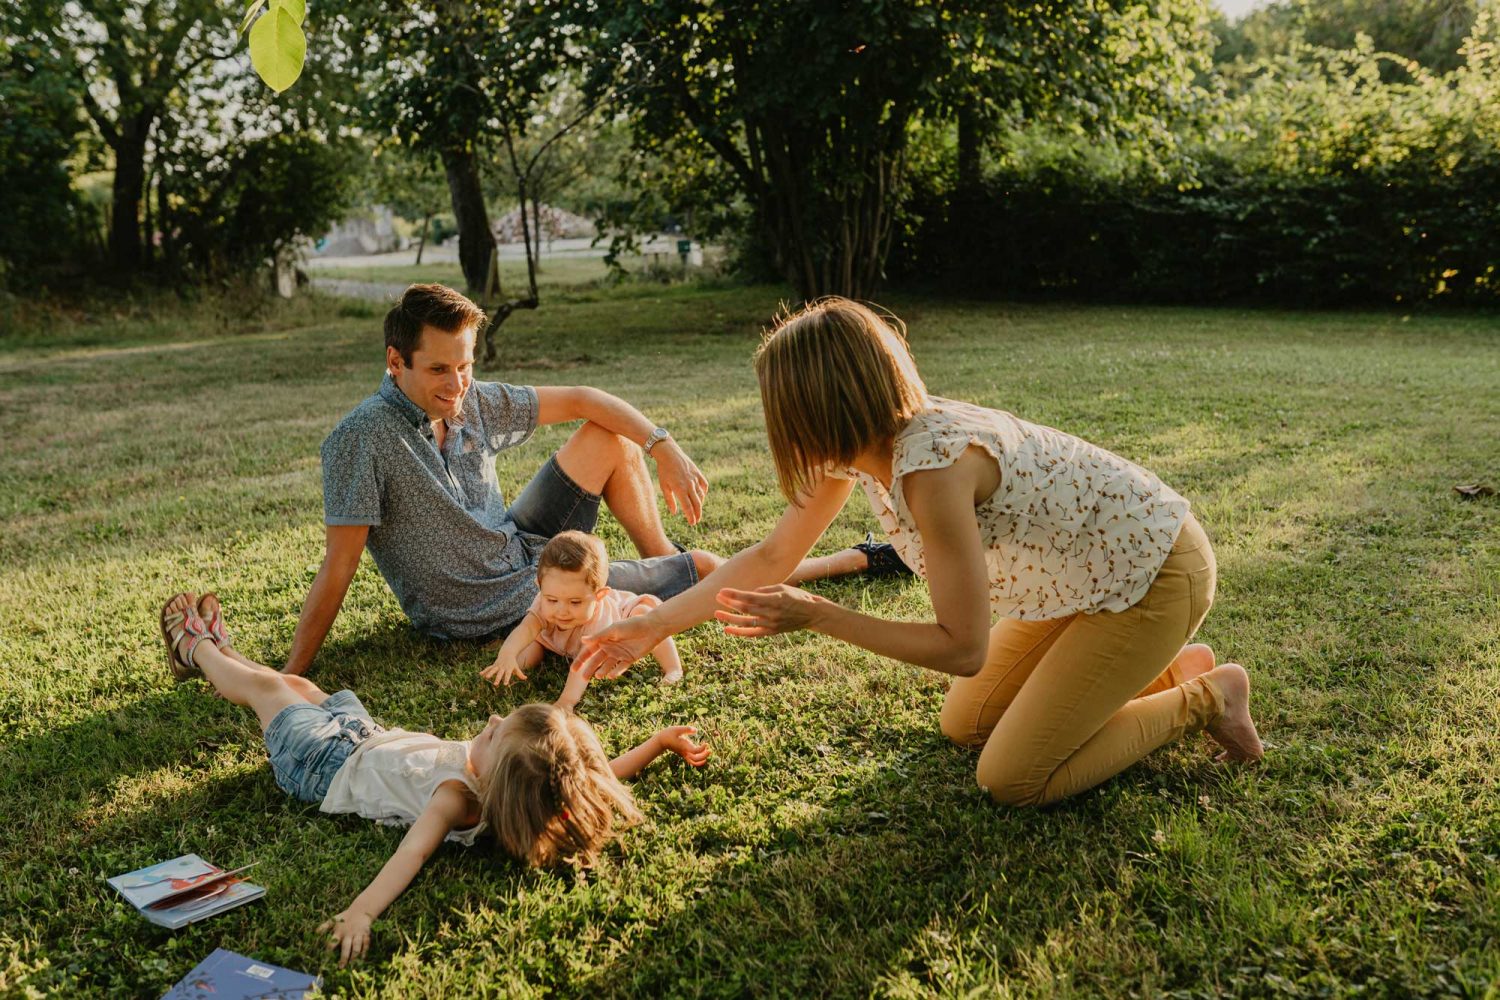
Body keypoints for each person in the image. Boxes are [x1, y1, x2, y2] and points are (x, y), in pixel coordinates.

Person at [576, 297, 1264, 807]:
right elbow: (771, 555)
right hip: (1077, 581)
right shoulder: (856, 449)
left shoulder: (932, 470)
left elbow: (962, 647)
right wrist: (655, 623)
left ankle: (1207, 695)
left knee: (1011, 778)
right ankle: (1165, 670)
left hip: (1151, 573)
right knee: (966, 722)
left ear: (820, 407)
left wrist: (820, 614)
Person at [285, 282, 908, 677]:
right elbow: (336, 570)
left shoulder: (469, 398)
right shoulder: (360, 439)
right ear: (395, 362)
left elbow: (586, 397)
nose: (457, 386)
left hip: (518, 547)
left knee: (608, 438)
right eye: (440, 371)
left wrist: (663, 446)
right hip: (487, 603)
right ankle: (851, 561)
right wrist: (293, 675)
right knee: (709, 566)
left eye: (467, 366)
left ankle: (662, 563)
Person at [159, 592, 711, 966]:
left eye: (496, 735)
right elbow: (587, 777)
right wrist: (657, 743)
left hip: (322, 765)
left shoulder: (456, 798)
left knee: (271, 694)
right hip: (365, 735)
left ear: (496, 783)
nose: (492, 722)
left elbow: (411, 857)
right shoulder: (526, 788)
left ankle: (197, 648)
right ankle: (223, 651)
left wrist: (361, 911)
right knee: (297, 683)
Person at [482, 531, 682, 711]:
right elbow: (526, 628)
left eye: (575, 602)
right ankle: (509, 667)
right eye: (552, 600)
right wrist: (507, 654)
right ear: (540, 586)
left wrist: (566, 701)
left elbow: (583, 664)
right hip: (555, 642)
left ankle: (673, 668)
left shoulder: (601, 622)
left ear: (599, 596)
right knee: (532, 645)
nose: (562, 611)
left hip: (624, 620)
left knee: (647, 619)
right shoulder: (544, 603)